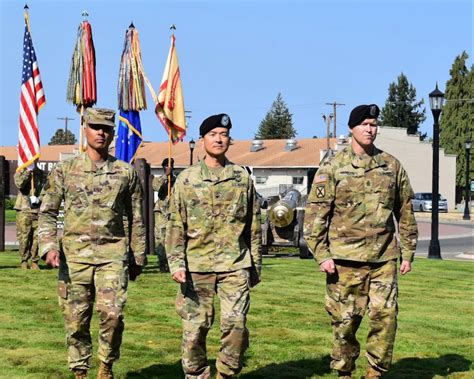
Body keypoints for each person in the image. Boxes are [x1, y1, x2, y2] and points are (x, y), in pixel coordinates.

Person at [304, 104, 418, 379]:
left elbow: (405, 210)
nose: (370, 129)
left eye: (374, 124)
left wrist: (408, 252)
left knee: (385, 319)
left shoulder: (391, 166)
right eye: (365, 124)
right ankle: (344, 372)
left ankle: (375, 373)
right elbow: (315, 216)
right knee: (345, 323)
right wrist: (322, 255)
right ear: (352, 128)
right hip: (344, 261)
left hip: (384, 259)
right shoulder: (333, 167)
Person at [38, 108, 146, 379]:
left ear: (112, 134)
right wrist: (49, 246)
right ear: (85, 129)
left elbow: (137, 219)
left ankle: (105, 366)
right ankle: (80, 371)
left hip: (113, 255)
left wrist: (138, 257)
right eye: (95, 127)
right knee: (76, 321)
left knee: (113, 316)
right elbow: (48, 211)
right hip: (75, 258)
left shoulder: (125, 173)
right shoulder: (66, 170)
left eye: (107, 128)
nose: (101, 132)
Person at [166, 113, 262, 379]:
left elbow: (253, 224)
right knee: (194, 330)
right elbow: (175, 225)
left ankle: (225, 373)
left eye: (224, 135)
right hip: (197, 266)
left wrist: (255, 265)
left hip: (235, 264)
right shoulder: (187, 180)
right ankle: (197, 374)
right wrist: (176, 263)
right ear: (202, 140)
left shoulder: (241, 178)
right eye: (213, 134)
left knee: (236, 325)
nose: (219, 139)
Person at [14, 160, 47, 270]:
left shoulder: (42, 174)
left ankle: (34, 261)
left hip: (37, 209)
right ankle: (24, 260)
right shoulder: (20, 172)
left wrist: (39, 199)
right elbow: (20, 184)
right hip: (23, 209)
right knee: (24, 236)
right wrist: (28, 171)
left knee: (37, 237)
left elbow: (46, 190)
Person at [152, 157, 176, 272]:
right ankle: (162, 264)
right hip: (161, 213)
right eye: (166, 165)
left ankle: (172, 264)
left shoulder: (177, 180)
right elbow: (156, 187)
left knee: (173, 240)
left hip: (173, 212)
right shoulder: (158, 179)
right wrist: (165, 176)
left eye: (171, 165)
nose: (169, 167)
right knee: (160, 240)